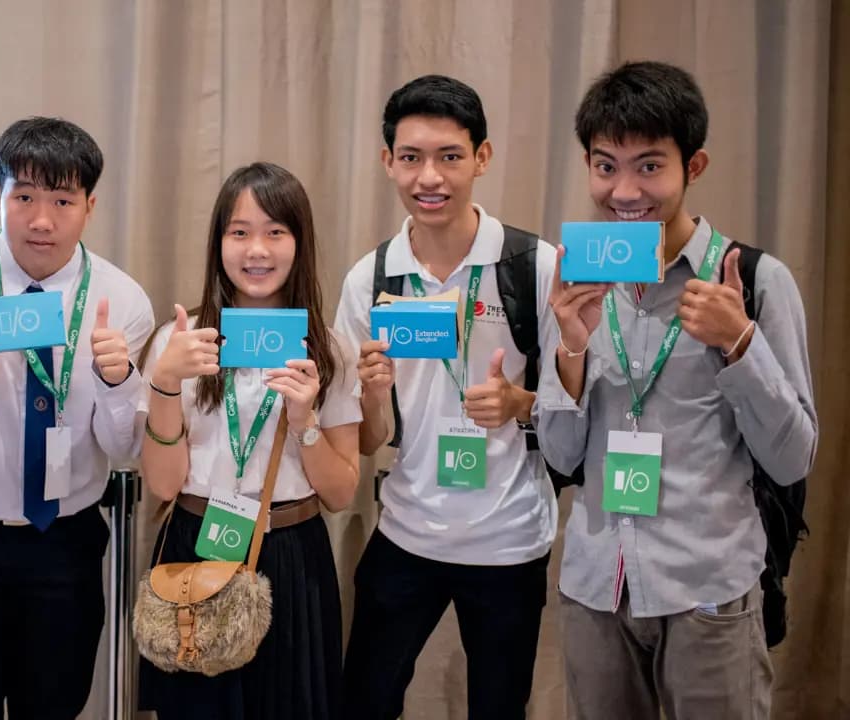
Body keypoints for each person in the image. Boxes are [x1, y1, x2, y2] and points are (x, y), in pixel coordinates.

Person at [535, 60, 818, 719]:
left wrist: (739, 343)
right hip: (596, 587)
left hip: (708, 589)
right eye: (605, 165)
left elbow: (793, 458)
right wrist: (570, 346)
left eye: (649, 166)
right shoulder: (578, 282)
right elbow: (559, 453)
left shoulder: (754, 281)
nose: (625, 189)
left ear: (694, 166)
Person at [0, 116, 155, 719]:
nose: (42, 220)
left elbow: (122, 448)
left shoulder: (121, 299)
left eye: (63, 200)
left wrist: (118, 382)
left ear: (90, 206)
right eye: (25, 197)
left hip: (62, 547)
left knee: (54, 706)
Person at [336, 75, 558, 720]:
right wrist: (374, 396)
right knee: (365, 698)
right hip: (407, 530)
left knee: (498, 705)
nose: (428, 177)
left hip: (509, 539)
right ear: (388, 163)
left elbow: (581, 404)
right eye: (411, 158)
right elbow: (368, 438)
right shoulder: (371, 277)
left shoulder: (534, 265)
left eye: (449, 157)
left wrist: (520, 402)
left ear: (481, 159)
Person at [138, 161, 361, 719]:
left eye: (274, 232)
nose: (256, 250)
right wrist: (165, 382)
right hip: (196, 545)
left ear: (298, 242)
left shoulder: (329, 349)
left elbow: (341, 494)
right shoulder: (181, 340)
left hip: (292, 554)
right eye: (239, 232)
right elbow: (162, 483)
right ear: (218, 243)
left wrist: (306, 419)